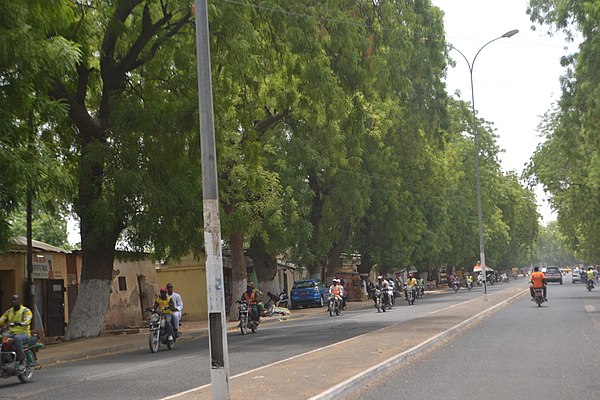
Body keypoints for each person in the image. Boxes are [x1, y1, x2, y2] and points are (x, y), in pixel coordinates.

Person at [0, 294, 32, 372]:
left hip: (24, 333)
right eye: (12, 300)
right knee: (2, 336)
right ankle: (3, 359)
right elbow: (2, 319)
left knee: (17, 338)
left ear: (19, 301)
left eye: (15, 300)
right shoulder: (9, 311)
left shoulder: (25, 310)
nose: (14, 301)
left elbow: (27, 320)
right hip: (11, 332)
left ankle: (20, 360)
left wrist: (21, 323)